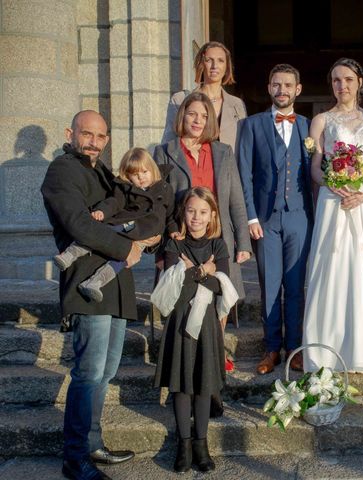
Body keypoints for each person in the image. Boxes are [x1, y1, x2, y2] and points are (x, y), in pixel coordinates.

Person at [41, 111, 160, 480]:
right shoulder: (62, 171)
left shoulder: (105, 172)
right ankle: (74, 457)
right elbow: (76, 224)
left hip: (115, 285)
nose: (93, 141)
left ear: (107, 139)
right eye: (86, 134)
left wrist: (149, 237)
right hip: (85, 281)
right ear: (70, 133)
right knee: (89, 372)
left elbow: (129, 208)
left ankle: (93, 444)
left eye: (100, 135)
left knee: (105, 371)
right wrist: (126, 248)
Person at [302, 58, 363, 372]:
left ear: (359, 82)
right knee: (334, 265)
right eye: (337, 80)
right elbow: (315, 167)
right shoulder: (321, 120)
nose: (343, 86)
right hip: (334, 200)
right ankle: (327, 350)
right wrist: (334, 183)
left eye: (349, 79)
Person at [155, 91, 252, 372]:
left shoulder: (222, 151)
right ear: (182, 115)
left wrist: (243, 241)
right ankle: (183, 355)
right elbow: (158, 203)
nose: (198, 120)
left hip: (218, 237)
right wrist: (161, 248)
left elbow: (235, 197)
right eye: (192, 113)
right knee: (181, 295)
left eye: (204, 115)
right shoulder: (164, 152)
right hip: (180, 236)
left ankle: (214, 351)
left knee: (218, 294)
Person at [237, 64, 313, 374]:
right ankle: (271, 349)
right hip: (265, 219)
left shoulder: (310, 127)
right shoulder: (251, 125)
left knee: (295, 285)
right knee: (270, 284)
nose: (281, 90)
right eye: (276, 84)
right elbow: (244, 173)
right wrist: (250, 216)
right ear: (269, 88)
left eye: (287, 85)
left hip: (300, 215)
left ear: (298, 90)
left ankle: (295, 348)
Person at [154, 187, 230, 473]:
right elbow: (176, 287)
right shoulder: (174, 245)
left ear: (212, 215)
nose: (196, 217)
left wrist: (194, 272)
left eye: (202, 212)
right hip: (180, 322)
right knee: (182, 385)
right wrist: (204, 271)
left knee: (203, 384)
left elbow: (220, 286)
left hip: (207, 325)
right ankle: (183, 444)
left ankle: (202, 443)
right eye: (191, 211)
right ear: (183, 213)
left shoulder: (218, 246)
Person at [54, 147, 175, 302]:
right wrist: (102, 211)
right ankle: (70, 254)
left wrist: (173, 230)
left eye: (145, 172)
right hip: (129, 224)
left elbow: (171, 214)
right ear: (128, 176)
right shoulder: (127, 189)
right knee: (103, 233)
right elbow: (114, 202)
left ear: (152, 169)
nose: (141, 177)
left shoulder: (165, 188)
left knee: (122, 262)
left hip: (144, 237)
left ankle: (95, 283)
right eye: (135, 175)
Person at [161, 41, 246, 152]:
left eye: (220, 61)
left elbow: (244, 148)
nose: (215, 66)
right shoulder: (180, 99)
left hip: (227, 168)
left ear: (227, 66)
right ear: (201, 63)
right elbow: (168, 143)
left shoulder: (237, 105)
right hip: (191, 166)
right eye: (209, 60)